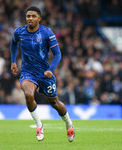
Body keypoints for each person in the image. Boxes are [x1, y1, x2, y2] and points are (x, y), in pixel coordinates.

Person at [10, 6, 75, 142]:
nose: (30, 18)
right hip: (28, 72)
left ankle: (69, 123)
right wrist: (13, 61)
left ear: (39, 18)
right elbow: (13, 42)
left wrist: (50, 70)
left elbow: (57, 54)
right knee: (28, 94)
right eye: (28, 16)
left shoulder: (46, 32)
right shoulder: (20, 32)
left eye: (33, 16)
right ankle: (39, 125)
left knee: (55, 103)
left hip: (45, 74)